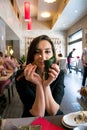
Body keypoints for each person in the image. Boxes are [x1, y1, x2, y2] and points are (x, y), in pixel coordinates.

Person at [15, 35, 65, 117]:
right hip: (31, 120)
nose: (43, 56)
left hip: (55, 119)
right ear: (32, 55)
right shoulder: (22, 76)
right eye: (37, 52)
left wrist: (46, 85)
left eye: (47, 51)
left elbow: (53, 111)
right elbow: (38, 114)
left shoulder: (59, 74)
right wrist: (39, 84)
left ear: (53, 54)